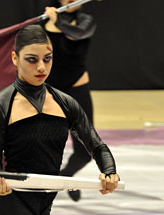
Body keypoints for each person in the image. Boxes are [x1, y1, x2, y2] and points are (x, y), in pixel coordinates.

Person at [0, 24, 119, 215]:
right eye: (32, 59)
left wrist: (109, 171)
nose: (41, 68)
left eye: (47, 59)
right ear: (15, 58)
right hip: (11, 205)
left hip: (44, 208)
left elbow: (97, 146)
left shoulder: (65, 103)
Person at [43, 0, 97, 201]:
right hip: (50, 93)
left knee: (86, 149)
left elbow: (77, 34)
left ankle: (65, 177)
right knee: (43, 146)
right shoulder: (42, 23)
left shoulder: (85, 21)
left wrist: (57, 22)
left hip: (77, 89)